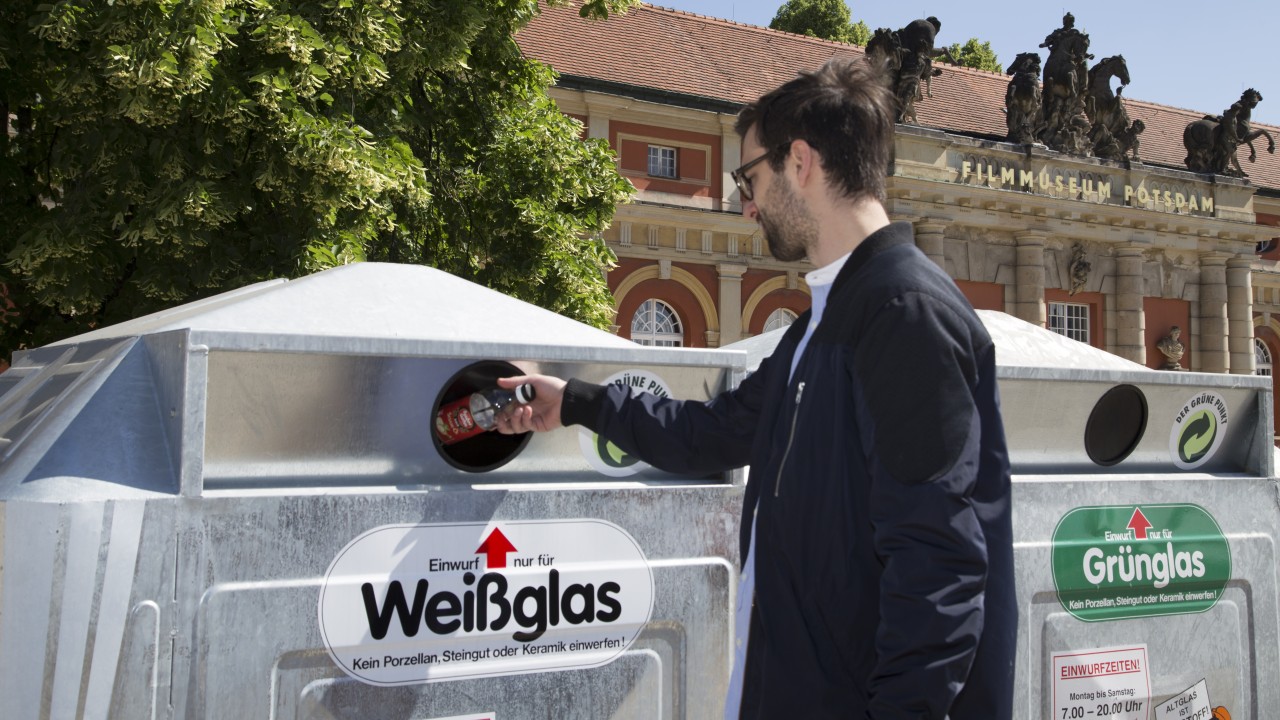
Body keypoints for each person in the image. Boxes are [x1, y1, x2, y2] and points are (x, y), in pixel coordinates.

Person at [495, 57, 1016, 719]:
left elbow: (939, 568)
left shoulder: (903, 313)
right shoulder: (820, 327)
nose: (746, 204)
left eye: (750, 177)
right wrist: (573, 401)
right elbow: (713, 434)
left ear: (799, 162)